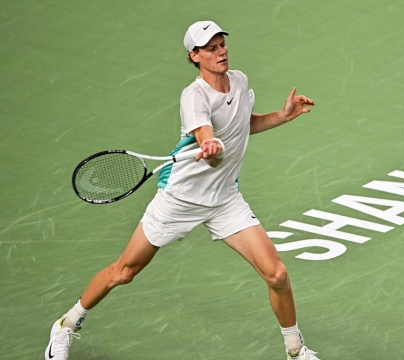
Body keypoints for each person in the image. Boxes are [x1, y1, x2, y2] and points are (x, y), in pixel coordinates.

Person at [44, 20, 319, 360]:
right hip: (180, 200)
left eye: (222, 44)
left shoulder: (240, 81)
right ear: (194, 55)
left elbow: (240, 126)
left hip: (224, 199)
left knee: (277, 273)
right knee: (124, 272)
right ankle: (67, 325)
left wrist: (281, 115)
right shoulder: (193, 97)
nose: (221, 51)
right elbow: (207, 136)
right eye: (211, 48)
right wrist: (211, 147)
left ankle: (296, 349)